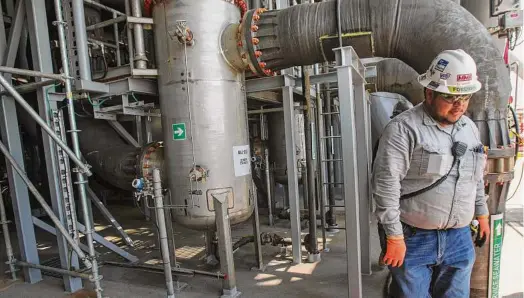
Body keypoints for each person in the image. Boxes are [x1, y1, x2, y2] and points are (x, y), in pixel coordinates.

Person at [372, 49, 491, 298]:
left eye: (466, 97)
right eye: (450, 98)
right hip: (413, 238)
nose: (459, 106)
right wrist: (393, 236)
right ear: (429, 92)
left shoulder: (469, 129)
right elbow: (386, 185)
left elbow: (474, 175)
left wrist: (482, 212)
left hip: (459, 238)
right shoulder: (403, 129)